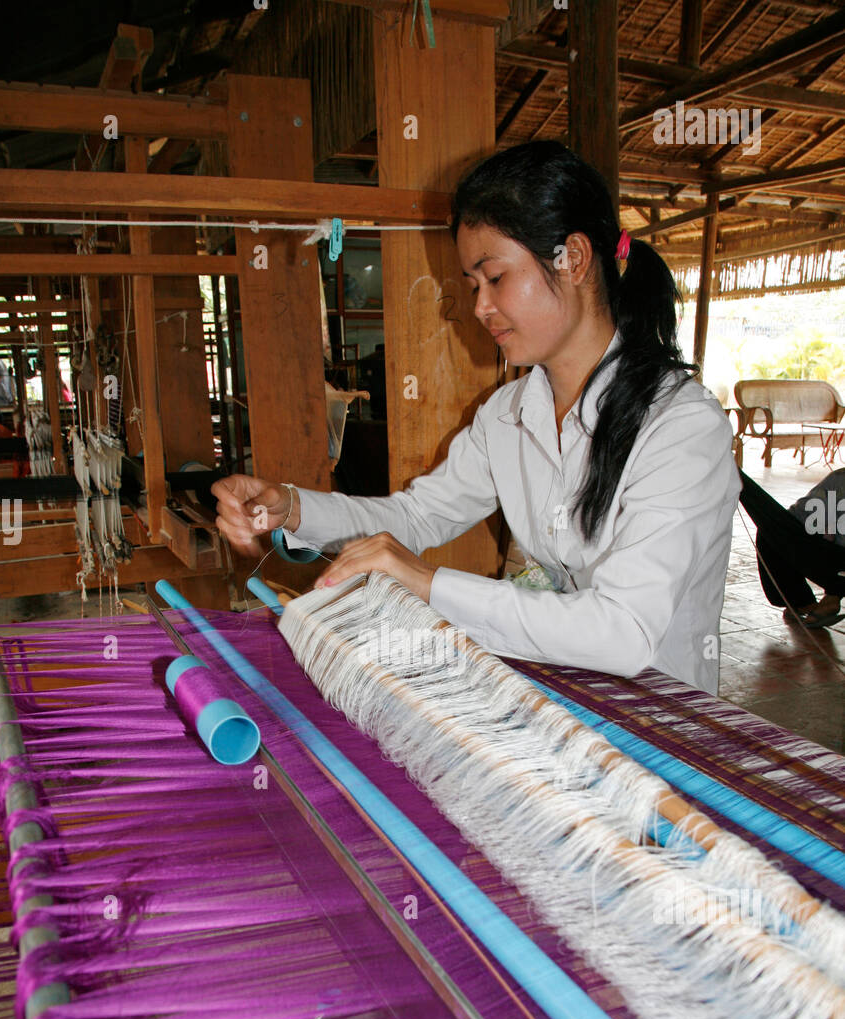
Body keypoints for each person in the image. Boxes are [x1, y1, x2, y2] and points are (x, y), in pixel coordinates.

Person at [213, 141, 740, 695]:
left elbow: (625, 633)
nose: (480, 306)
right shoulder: (509, 415)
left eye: (495, 278)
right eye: (472, 286)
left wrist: (427, 583)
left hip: (667, 718)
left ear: (574, 259)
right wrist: (291, 508)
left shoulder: (681, 427)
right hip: (561, 695)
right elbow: (416, 517)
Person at [739, 467, 845, 629]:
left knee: (775, 529)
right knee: (772, 530)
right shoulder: (839, 479)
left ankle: (828, 597)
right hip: (833, 556)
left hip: (837, 564)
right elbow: (793, 520)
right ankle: (803, 601)